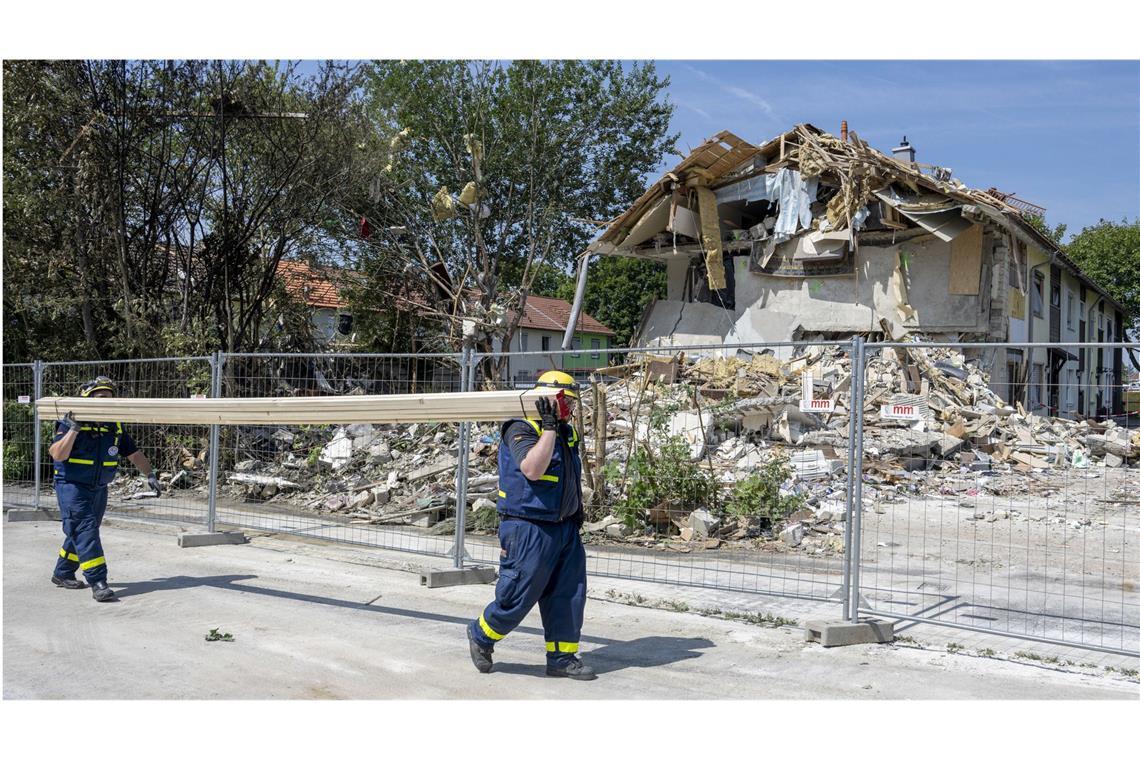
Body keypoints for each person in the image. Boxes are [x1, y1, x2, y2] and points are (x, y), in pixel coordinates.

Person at [466, 370, 596, 680]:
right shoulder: (521, 428)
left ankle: (562, 658)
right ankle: (482, 636)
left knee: (569, 595)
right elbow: (532, 469)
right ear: (551, 401)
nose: (573, 410)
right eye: (569, 404)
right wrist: (548, 428)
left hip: (564, 528)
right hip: (528, 528)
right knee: (518, 594)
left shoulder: (565, 433)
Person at [48, 376, 162, 602]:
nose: (105, 403)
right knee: (86, 530)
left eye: (109, 398)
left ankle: (62, 572)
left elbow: (134, 453)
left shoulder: (114, 426)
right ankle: (98, 581)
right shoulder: (69, 422)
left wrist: (149, 474)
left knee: (81, 531)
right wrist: (73, 429)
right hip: (72, 486)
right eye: (100, 398)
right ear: (86, 400)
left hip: (99, 487)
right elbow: (58, 454)